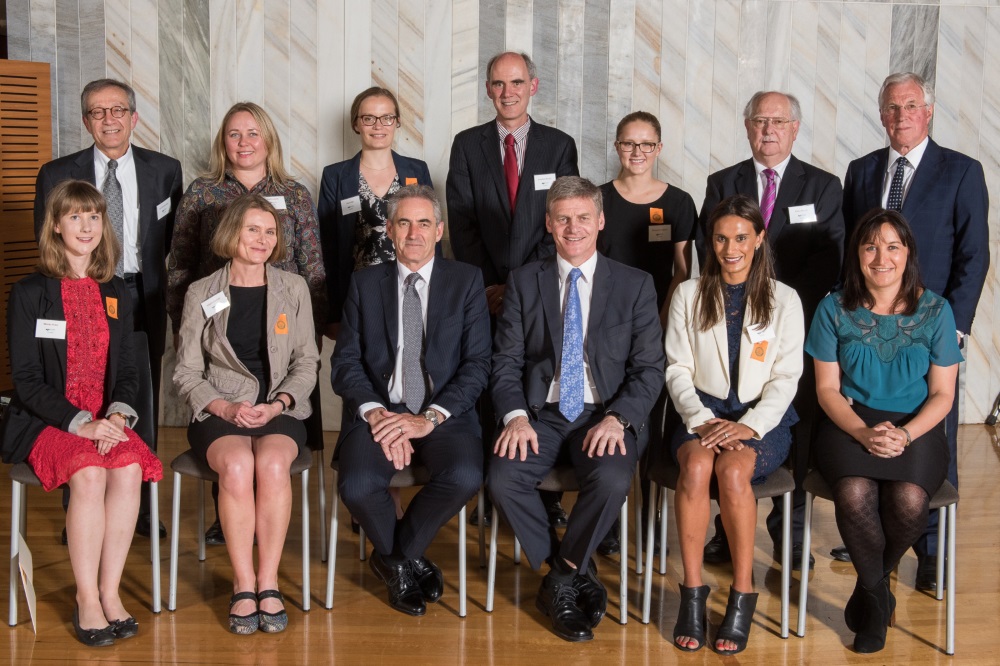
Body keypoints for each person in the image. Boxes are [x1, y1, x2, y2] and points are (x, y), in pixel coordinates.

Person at [488, 176, 664, 642]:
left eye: (583, 217)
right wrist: (515, 416)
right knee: (503, 479)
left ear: (600, 221)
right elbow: (505, 362)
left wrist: (619, 418)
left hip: (605, 414)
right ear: (548, 223)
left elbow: (650, 368)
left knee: (611, 479)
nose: (573, 228)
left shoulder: (635, 284)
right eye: (563, 218)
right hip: (541, 414)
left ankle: (560, 578)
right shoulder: (525, 281)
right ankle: (570, 571)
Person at [841, 72, 989, 588]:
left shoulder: (961, 171)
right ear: (881, 114)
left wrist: (957, 328)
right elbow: (852, 253)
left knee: (933, 432)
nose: (900, 116)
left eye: (910, 106)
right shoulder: (862, 170)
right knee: (870, 424)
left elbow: (974, 255)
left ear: (928, 112)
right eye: (891, 107)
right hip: (869, 329)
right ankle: (872, 537)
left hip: (932, 330)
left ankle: (931, 551)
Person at [3, 180, 163, 646]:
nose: (86, 225)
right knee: (91, 474)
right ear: (55, 225)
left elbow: (128, 369)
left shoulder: (115, 290)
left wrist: (116, 417)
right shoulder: (29, 292)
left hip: (105, 419)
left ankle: (110, 592)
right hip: (47, 421)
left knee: (128, 469)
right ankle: (86, 598)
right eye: (74, 216)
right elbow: (26, 379)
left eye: (94, 216)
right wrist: (81, 423)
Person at [167, 101, 326, 545]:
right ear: (223, 142)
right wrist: (187, 327)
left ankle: (266, 519)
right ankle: (232, 517)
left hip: (283, 326)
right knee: (232, 447)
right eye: (234, 134)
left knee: (276, 441)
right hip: (218, 320)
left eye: (253, 133)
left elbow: (312, 264)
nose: (244, 142)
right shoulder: (203, 192)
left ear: (268, 140)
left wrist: (309, 334)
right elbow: (180, 264)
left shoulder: (294, 194)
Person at [696, 91, 844, 570]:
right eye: (760, 120)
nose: (769, 130)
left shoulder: (823, 186)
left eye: (779, 122)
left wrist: (776, 307)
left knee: (792, 431)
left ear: (795, 128)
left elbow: (830, 259)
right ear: (746, 126)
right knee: (729, 420)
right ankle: (726, 532)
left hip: (792, 330)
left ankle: (790, 537)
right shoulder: (722, 182)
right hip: (728, 324)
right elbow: (710, 251)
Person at [805, 209, 963, 653]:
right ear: (856, 253)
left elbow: (943, 395)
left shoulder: (937, 310)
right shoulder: (833, 308)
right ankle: (877, 604)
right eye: (870, 246)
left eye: (892, 246)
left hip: (918, 426)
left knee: (909, 500)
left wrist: (906, 434)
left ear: (908, 253)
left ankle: (868, 589)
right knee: (854, 492)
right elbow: (826, 390)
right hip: (849, 421)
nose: (881, 258)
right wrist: (862, 432)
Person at [331, 185, 490, 616]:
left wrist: (429, 418)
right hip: (380, 411)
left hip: (443, 412)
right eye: (404, 223)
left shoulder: (466, 281)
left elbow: (478, 364)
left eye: (424, 223)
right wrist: (377, 414)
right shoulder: (365, 284)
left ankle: (394, 558)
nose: (414, 233)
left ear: (439, 230)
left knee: (464, 475)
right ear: (389, 229)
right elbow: (345, 363)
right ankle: (407, 562)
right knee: (357, 485)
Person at [33, 78, 182, 540]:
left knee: (139, 394)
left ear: (134, 117)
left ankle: (141, 508)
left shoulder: (166, 170)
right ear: (86, 121)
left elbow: (171, 240)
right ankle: (80, 505)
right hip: (80, 290)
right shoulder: (56, 172)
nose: (109, 119)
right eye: (98, 112)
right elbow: (46, 242)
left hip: (140, 293)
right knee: (77, 390)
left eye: (118, 110)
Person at [173, 193, 319, 634]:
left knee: (272, 463)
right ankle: (243, 583)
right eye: (252, 229)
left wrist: (278, 404)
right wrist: (224, 407)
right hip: (219, 406)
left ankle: (268, 581)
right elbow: (186, 371)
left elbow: (307, 361)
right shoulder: (201, 292)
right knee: (237, 465)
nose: (262, 239)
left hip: (279, 404)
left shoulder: (294, 288)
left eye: (270, 231)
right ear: (231, 233)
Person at [665, 194, 804, 654]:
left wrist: (751, 426)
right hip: (700, 411)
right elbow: (676, 369)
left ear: (759, 239)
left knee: (732, 469)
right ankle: (692, 592)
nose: (731, 249)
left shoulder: (785, 299)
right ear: (711, 241)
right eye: (721, 238)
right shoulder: (688, 294)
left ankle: (742, 592)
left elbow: (787, 377)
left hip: (762, 418)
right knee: (697, 466)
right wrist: (702, 421)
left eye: (741, 238)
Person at [447, 50, 580, 529]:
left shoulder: (559, 145)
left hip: (542, 287)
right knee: (488, 383)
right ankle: (489, 490)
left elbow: (562, 220)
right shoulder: (467, 145)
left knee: (540, 376)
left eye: (517, 82)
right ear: (488, 89)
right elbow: (461, 220)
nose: (508, 92)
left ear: (533, 86)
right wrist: (490, 285)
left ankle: (545, 493)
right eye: (499, 84)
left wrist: (520, 285)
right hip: (484, 292)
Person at [597, 110, 698, 555]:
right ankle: (607, 523)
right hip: (603, 331)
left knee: (651, 427)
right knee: (607, 420)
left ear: (659, 148)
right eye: (628, 143)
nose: (636, 152)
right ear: (617, 146)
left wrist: (657, 320)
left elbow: (682, 272)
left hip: (655, 328)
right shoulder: (598, 198)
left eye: (646, 144)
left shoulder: (678, 202)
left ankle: (649, 522)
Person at [318, 86, 433, 339]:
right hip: (357, 296)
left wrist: (436, 297)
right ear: (356, 124)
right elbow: (327, 248)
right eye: (369, 118)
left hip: (410, 289)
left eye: (387, 118)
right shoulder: (335, 176)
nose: (378, 126)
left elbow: (431, 236)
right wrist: (334, 312)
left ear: (397, 122)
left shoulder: (417, 171)